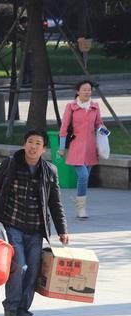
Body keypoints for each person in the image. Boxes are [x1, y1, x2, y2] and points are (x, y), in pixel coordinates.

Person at [0, 128, 69, 316]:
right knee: (19, 265)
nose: (33, 147)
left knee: (32, 269)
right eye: (30, 142)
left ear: (44, 149)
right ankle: (11, 307)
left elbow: (55, 204)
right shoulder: (11, 164)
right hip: (12, 224)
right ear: (24, 144)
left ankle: (24, 310)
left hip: (36, 229)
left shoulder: (49, 171)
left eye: (38, 143)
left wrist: (62, 229)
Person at [58, 79, 104, 219]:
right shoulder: (71, 107)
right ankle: (81, 208)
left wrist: (104, 132)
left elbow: (99, 124)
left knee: (85, 177)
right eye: (84, 89)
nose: (87, 92)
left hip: (90, 147)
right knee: (83, 176)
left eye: (89, 90)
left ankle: (80, 202)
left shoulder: (95, 106)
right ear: (78, 91)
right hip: (76, 146)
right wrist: (61, 147)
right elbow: (64, 127)